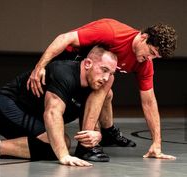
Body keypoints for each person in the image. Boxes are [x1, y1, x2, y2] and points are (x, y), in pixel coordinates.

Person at [27, 18, 177, 160]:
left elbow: (149, 102)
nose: (150, 59)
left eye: (155, 57)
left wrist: (157, 144)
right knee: (107, 81)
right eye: (150, 52)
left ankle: (108, 132)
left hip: (91, 74)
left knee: (107, 92)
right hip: (67, 62)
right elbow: (64, 38)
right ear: (144, 37)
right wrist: (39, 67)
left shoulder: (145, 64)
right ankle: (85, 146)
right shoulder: (112, 32)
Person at [0, 46, 118, 167]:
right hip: (3, 106)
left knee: (57, 141)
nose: (106, 78)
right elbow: (52, 114)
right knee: (58, 145)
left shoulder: (94, 86)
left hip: (31, 113)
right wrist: (63, 156)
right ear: (87, 63)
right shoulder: (64, 73)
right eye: (103, 70)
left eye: (110, 73)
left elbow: (91, 121)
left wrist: (97, 136)